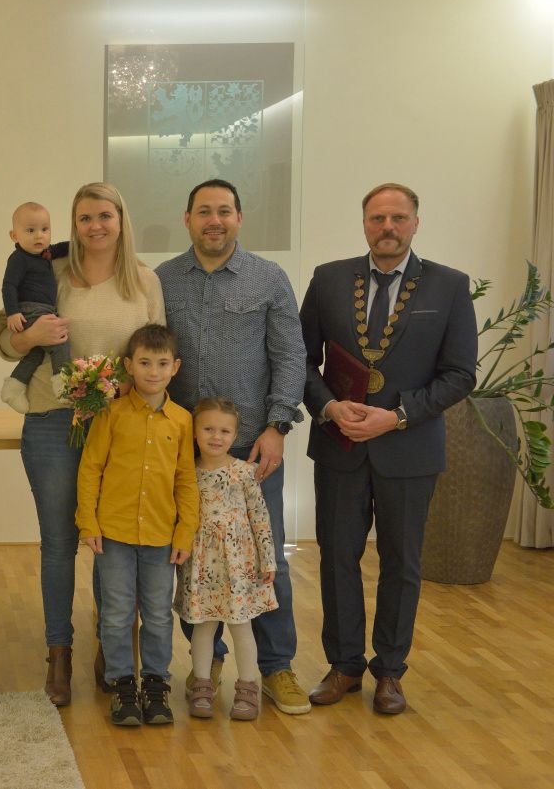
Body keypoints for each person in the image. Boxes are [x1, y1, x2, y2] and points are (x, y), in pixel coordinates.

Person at [299, 183, 476, 714]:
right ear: (364, 224)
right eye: (377, 218)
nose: (388, 228)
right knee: (337, 558)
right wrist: (330, 407)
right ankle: (344, 665)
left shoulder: (449, 286)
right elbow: (300, 361)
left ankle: (391, 672)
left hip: (410, 449)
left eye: (398, 218)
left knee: (402, 563)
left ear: (416, 223)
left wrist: (396, 417)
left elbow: (460, 374)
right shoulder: (328, 279)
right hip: (340, 444)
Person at [0, 182, 164, 707]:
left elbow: (157, 353)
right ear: (73, 225)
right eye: (85, 218)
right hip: (53, 421)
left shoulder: (144, 281)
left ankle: (112, 649)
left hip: (120, 428)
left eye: (104, 216)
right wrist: (31, 337)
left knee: (114, 542)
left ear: (121, 220)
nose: (95, 226)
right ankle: (59, 652)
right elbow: (6, 343)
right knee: (59, 542)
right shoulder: (49, 272)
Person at [155, 178, 310, 715]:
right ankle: (209, 663)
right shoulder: (163, 280)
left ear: (239, 218)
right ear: (188, 219)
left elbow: (290, 355)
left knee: (267, 562)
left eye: (224, 211)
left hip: (251, 454)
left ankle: (277, 667)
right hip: (183, 455)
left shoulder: (269, 278)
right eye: (204, 211)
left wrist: (278, 427)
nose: (214, 220)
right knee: (191, 559)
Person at [76, 324, 198, 726]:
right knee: (116, 613)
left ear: (175, 367)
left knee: (159, 614)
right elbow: (91, 468)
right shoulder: (110, 414)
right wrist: (88, 522)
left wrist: (185, 532)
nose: (153, 371)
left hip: (161, 537)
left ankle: (156, 684)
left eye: (162, 364)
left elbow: (186, 479)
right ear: (129, 365)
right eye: (145, 363)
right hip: (113, 534)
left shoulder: (182, 421)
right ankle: (122, 685)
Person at [176, 397, 278, 721]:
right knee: (203, 627)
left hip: (239, 565)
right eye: (208, 429)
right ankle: (202, 686)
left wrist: (268, 559)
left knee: (241, 627)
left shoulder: (244, 473)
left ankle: (247, 688)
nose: (216, 437)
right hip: (201, 565)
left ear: (235, 435)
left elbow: (260, 517)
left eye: (224, 431)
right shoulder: (186, 473)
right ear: (195, 432)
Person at [0, 201, 69, 413]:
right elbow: (9, 286)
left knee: (36, 353)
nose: (39, 236)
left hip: (43, 310)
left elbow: (63, 247)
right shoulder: (19, 259)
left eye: (45, 230)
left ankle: (14, 386)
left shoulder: (45, 253)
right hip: (30, 310)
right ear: (14, 236)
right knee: (59, 341)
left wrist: (82, 244)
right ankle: (63, 384)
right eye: (30, 231)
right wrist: (12, 313)